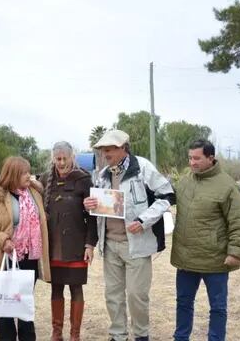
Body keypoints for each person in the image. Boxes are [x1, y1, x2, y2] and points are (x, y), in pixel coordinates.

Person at [83, 129, 175, 341]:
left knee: (136, 295)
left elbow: (167, 196)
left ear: (123, 148)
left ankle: (141, 335)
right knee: (113, 296)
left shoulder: (142, 168)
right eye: (103, 150)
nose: (105, 154)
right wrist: (90, 204)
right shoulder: (103, 174)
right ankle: (118, 335)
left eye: (110, 149)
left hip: (137, 245)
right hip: (110, 244)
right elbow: (102, 206)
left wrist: (144, 220)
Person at [171, 140, 240, 341]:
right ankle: (181, 338)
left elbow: (238, 222)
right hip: (186, 258)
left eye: (197, 158)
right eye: (190, 158)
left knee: (218, 308)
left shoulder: (227, 186)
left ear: (210, 158)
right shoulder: (184, 181)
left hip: (215, 260)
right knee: (183, 303)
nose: (192, 162)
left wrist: (236, 253)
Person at [0, 156, 50, 341]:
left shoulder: (34, 192)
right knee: (6, 305)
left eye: (29, 171)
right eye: (24, 173)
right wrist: (3, 240)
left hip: (29, 257)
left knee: (25, 303)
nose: (29, 176)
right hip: (6, 257)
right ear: (12, 175)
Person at [39, 142, 98, 341]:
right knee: (56, 287)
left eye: (65, 158)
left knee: (75, 288)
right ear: (53, 158)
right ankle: (57, 333)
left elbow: (93, 216)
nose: (61, 163)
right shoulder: (46, 179)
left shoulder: (84, 179)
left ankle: (75, 334)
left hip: (76, 245)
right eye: (58, 159)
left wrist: (90, 245)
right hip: (53, 245)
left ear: (73, 157)